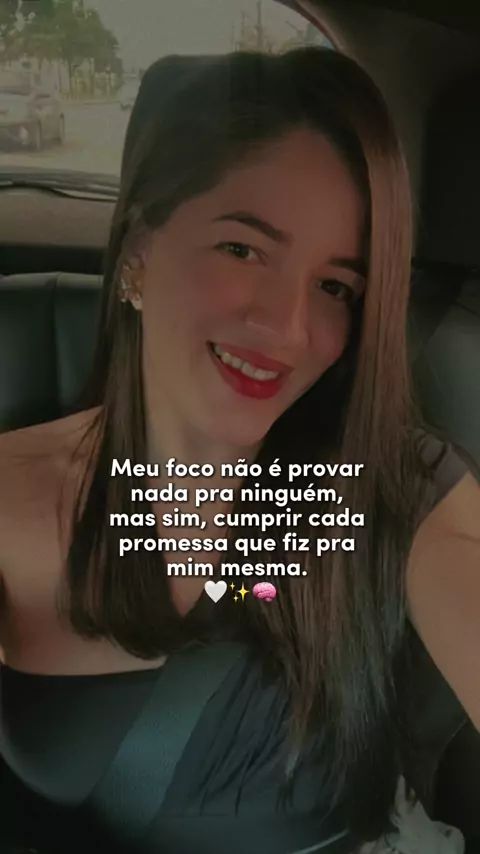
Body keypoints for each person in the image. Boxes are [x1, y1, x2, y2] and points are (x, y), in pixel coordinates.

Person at [0, 47, 478, 854]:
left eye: (335, 287)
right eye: (242, 249)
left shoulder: (393, 486)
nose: (287, 329)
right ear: (140, 248)